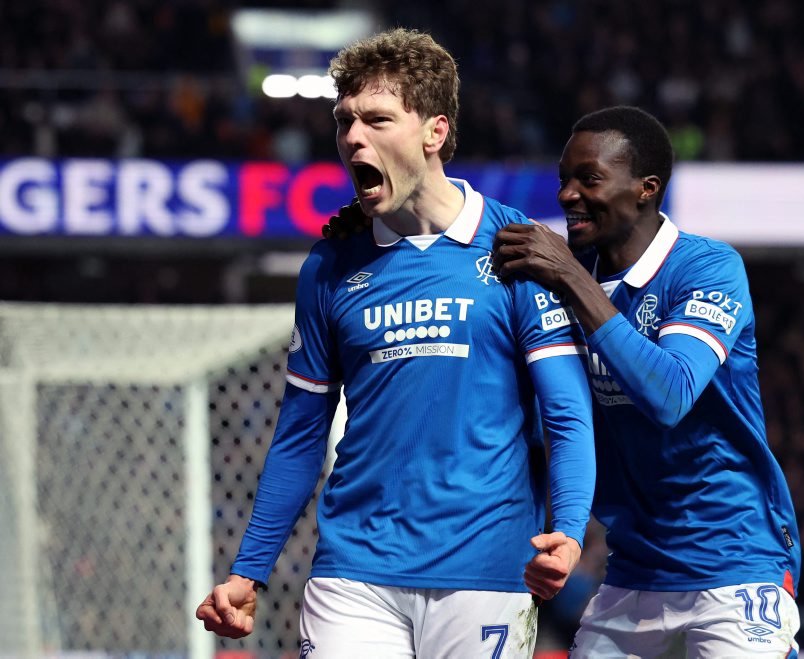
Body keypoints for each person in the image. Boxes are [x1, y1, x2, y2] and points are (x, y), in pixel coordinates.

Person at [195, 28, 596, 658]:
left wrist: (567, 531)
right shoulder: (329, 265)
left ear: (435, 132)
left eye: (377, 119)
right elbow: (299, 434)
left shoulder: (518, 248)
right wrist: (249, 571)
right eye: (344, 121)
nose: (353, 137)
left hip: (486, 571)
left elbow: (567, 412)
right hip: (353, 573)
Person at [492, 105, 801, 657]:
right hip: (633, 572)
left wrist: (569, 278)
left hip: (733, 564)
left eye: (588, 179)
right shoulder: (565, 278)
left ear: (646, 189)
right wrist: (366, 228)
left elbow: (669, 393)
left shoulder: (706, 267)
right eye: (564, 179)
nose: (567, 195)